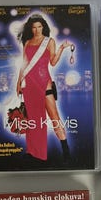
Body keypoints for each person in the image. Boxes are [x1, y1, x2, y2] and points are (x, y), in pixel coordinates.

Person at [16, 14, 71, 163]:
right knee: (32, 120)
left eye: (39, 27)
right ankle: (32, 152)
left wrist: (61, 48)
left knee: (54, 117)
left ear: (43, 27)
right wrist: (18, 83)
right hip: (29, 85)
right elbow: (24, 64)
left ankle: (65, 149)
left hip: (45, 83)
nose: (37, 30)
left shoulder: (49, 41)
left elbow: (52, 62)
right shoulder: (27, 42)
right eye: (34, 27)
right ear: (31, 29)